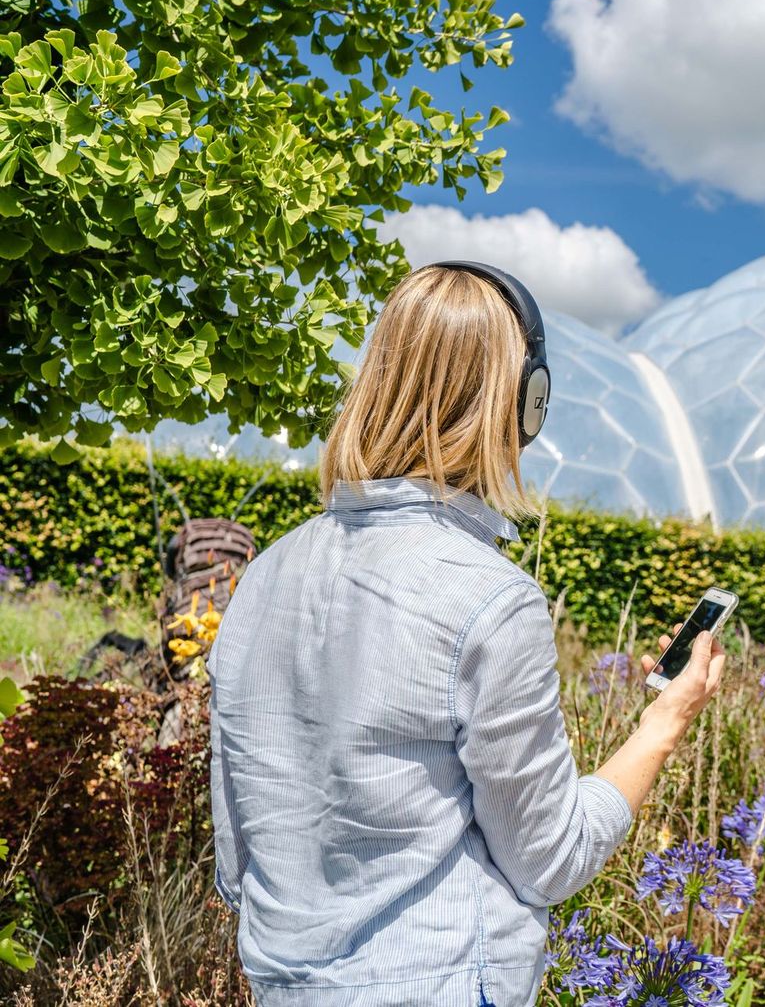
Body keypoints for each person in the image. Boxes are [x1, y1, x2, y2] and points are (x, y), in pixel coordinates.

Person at [207, 263, 724, 1005]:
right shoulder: (490, 596)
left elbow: (237, 853)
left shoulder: (264, 576)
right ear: (522, 405)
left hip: (283, 982)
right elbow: (550, 858)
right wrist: (664, 723)